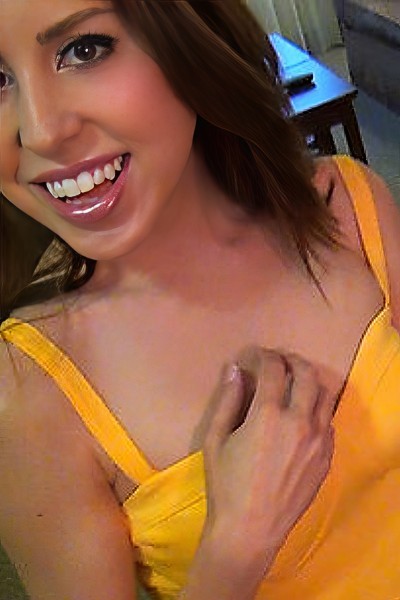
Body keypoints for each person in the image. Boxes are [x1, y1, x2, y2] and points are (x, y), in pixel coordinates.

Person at [0, 1, 400, 599]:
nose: (40, 131)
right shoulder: (30, 389)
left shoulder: (350, 206)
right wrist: (236, 547)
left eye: (84, 50)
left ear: (189, 36)